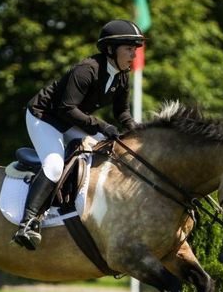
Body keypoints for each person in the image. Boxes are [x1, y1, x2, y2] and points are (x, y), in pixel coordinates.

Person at [12, 19, 146, 250]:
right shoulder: (87, 70)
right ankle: (28, 222)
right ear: (111, 50)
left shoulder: (121, 75)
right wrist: (102, 126)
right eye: (129, 49)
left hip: (73, 119)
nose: (133, 56)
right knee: (54, 165)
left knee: (112, 153)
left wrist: (139, 134)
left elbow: (122, 112)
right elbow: (66, 108)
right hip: (45, 117)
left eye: (135, 50)